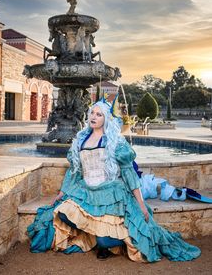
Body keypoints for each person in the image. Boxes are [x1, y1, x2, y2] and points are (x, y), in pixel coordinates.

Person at [27, 98, 201, 262]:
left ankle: (105, 241)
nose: (93, 117)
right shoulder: (80, 139)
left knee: (105, 243)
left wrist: (140, 204)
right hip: (85, 190)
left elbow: (129, 175)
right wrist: (62, 192)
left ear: (106, 119)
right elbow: (74, 171)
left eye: (99, 114)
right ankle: (95, 234)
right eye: (92, 113)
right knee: (63, 212)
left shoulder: (115, 142)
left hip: (110, 193)